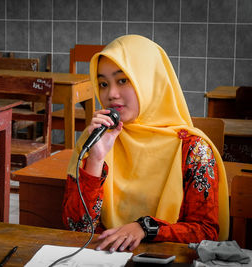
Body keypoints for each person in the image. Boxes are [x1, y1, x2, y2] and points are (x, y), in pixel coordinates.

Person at [62, 35, 229, 253]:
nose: (111, 94)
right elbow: (78, 228)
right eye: (103, 84)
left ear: (150, 81)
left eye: (123, 80)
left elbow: (206, 232)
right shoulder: (95, 138)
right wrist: (95, 160)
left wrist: (145, 228)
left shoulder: (193, 149)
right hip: (102, 256)